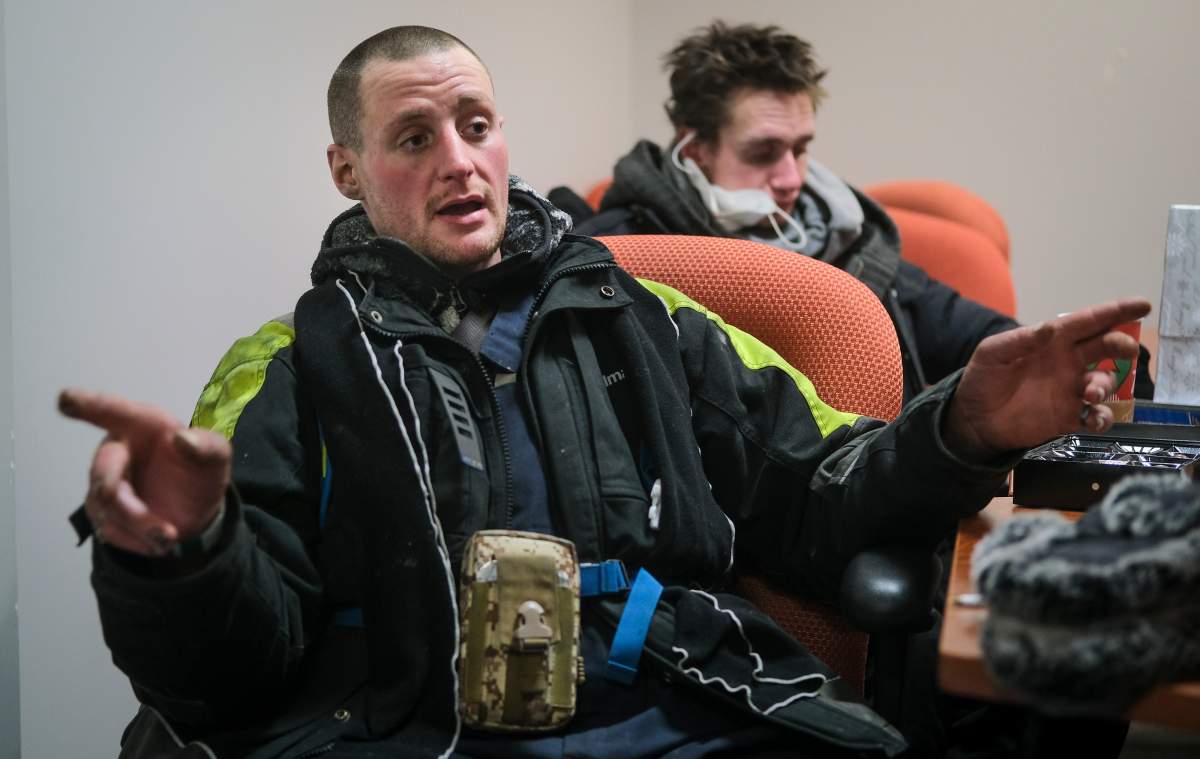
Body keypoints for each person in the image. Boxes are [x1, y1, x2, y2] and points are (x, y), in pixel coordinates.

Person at [59, 24, 1149, 759]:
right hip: (404, 729)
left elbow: (823, 492)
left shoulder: (647, 312)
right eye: (412, 137)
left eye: (476, 127)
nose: (459, 161)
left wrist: (963, 424)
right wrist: (180, 556)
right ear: (347, 169)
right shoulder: (283, 369)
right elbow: (234, 672)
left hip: (675, 710)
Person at [568, 21, 1152, 404]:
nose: (792, 179)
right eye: (763, 153)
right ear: (694, 153)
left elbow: (972, 329)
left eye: (800, 148)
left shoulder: (854, 241)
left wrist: (1063, 355)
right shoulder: (620, 257)